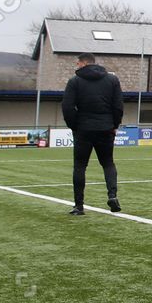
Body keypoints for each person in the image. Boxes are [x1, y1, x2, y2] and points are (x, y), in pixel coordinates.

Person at [62, 53, 123, 216]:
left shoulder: (74, 81)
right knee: (108, 163)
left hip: (83, 129)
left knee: (80, 166)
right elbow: (118, 105)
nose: (77, 65)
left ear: (83, 63)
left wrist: (74, 125)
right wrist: (114, 125)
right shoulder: (112, 80)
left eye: (78, 62)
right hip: (105, 128)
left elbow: (67, 107)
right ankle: (112, 195)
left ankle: (79, 206)